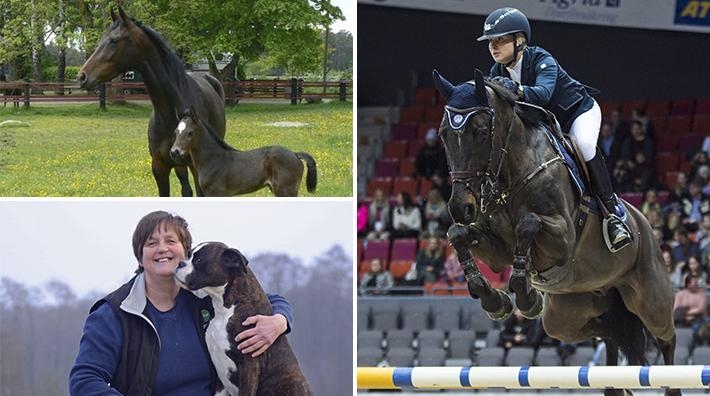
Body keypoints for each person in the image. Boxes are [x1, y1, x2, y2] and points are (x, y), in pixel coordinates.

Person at [69, 211, 294, 395]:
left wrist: (279, 321)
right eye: (151, 243)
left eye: (171, 241)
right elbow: (85, 380)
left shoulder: (206, 297)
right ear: (139, 256)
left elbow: (268, 300)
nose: (162, 249)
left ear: (186, 252)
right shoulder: (114, 313)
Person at [477, 7, 631, 252]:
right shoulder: (496, 72)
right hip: (545, 123)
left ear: (520, 40)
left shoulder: (541, 58)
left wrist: (515, 91)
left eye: (501, 40)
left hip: (577, 114)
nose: (493, 46)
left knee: (583, 145)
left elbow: (544, 94)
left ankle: (613, 214)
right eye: (490, 42)